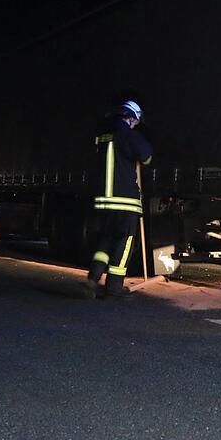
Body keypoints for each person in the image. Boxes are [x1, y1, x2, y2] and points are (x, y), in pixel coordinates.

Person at [82, 100, 152, 298]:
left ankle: (92, 279)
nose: (135, 125)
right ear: (131, 118)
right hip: (124, 200)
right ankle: (114, 287)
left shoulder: (102, 136)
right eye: (136, 122)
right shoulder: (128, 135)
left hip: (103, 201)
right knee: (125, 241)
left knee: (105, 241)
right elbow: (146, 157)